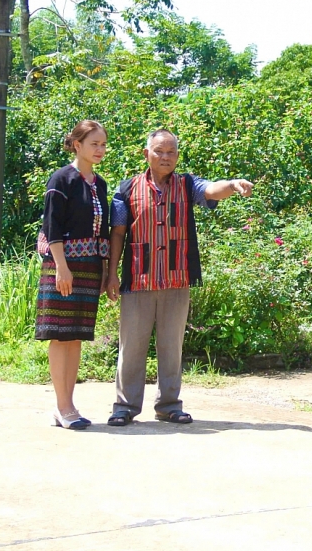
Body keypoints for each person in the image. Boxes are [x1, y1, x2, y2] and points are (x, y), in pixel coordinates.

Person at [105, 129, 253, 426]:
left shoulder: (187, 185)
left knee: (171, 347)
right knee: (131, 347)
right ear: (146, 153)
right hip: (138, 280)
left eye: (171, 152)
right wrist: (111, 276)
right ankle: (124, 407)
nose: (166, 157)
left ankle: (169, 405)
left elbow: (211, 190)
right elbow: (117, 234)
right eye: (159, 151)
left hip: (176, 279)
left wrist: (233, 184)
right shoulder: (126, 189)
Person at [35, 120, 110, 430]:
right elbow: (52, 227)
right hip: (61, 265)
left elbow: (103, 230)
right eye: (94, 144)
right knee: (60, 335)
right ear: (77, 145)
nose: (100, 150)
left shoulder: (100, 184)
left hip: (90, 267)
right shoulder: (61, 179)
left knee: (77, 334)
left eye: (104, 144)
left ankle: (68, 405)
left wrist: (106, 271)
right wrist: (62, 267)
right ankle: (62, 406)